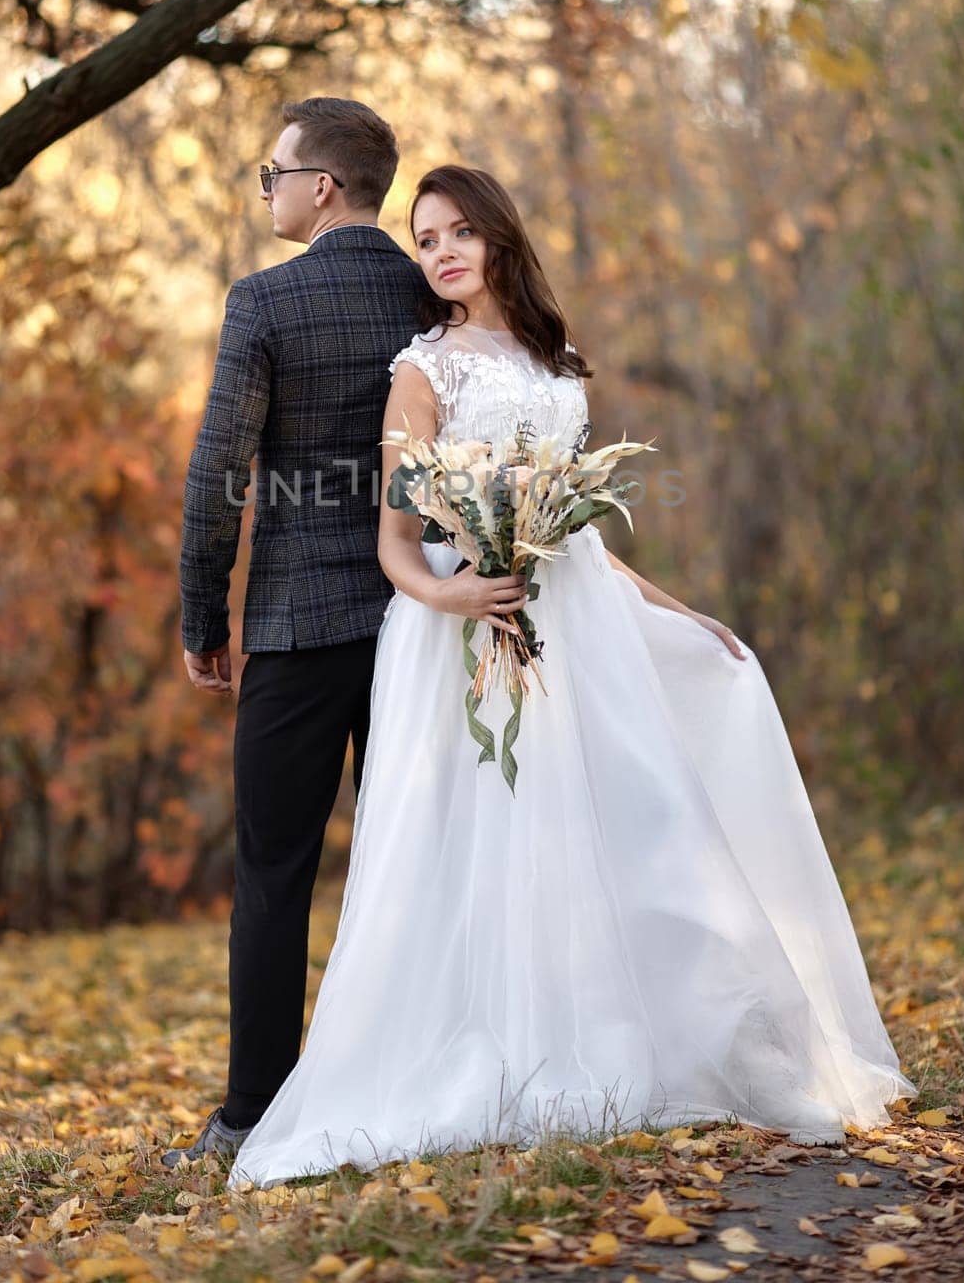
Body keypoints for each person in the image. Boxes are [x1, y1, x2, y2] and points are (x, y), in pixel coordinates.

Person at [224, 165, 916, 1190]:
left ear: (499, 237)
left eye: (460, 231)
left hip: (573, 619)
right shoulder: (424, 368)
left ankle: (620, 1025)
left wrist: (678, 614)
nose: (444, 252)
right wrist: (449, 595)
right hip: (461, 628)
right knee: (480, 837)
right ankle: (490, 1047)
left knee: (620, 817)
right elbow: (396, 538)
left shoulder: (557, 363)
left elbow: (583, 540)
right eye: (426, 239)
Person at [164, 97, 431, 1168]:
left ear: (322, 185)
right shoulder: (435, 295)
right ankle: (412, 1089)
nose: (265, 186)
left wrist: (201, 613)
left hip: (293, 624)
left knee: (275, 874)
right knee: (409, 864)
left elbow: (215, 473)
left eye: (272, 170)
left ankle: (252, 1117)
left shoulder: (265, 302)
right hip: (422, 622)